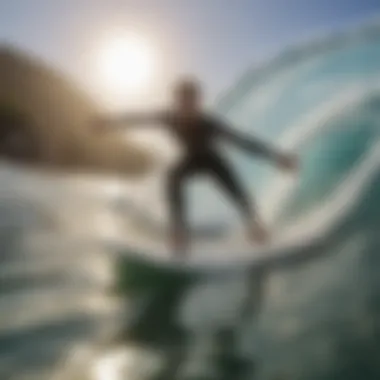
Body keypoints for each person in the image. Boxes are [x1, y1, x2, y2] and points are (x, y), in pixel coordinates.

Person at [94, 78, 298, 254]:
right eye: (183, 102)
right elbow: (137, 120)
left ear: (198, 103)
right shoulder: (168, 117)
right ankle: (179, 232)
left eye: (192, 102)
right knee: (172, 176)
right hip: (191, 160)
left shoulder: (209, 124)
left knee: (235, 190)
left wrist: (277, 157)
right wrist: (109, 124)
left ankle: (255, 226)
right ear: (177, 102)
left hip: (213, 161)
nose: (187, 107)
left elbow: (242, 141)